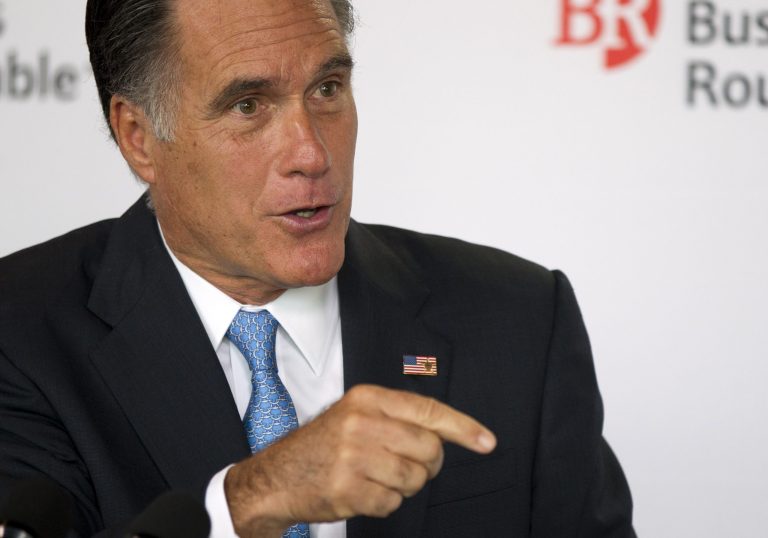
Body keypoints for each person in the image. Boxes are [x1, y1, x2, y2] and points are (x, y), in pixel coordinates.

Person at [0, 0, 636, 536]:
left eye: (327, 90)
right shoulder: (19, 334)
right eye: (248, 106)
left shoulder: (518, 319)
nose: (310, 152)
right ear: (138, 137)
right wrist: (249, 502)